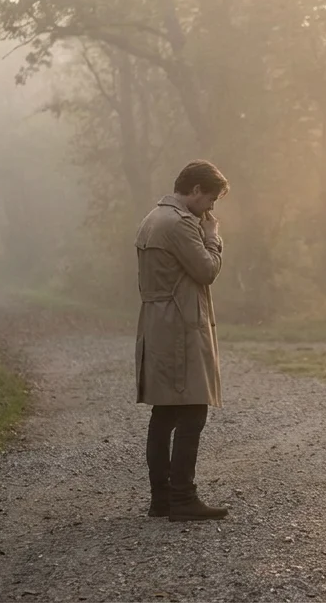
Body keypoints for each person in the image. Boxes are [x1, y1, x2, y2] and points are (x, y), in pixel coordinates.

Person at [134, 160, 230, 521]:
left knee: (165, 413)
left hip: (160, 322)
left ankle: (162, 499)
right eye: (210, 199)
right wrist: (213, 236)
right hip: (179, 325)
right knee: (192, 410)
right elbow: (206, 271)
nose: (211, 208)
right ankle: (182, 498)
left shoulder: (152, 218)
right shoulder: (179, 224)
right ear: (194, 191)